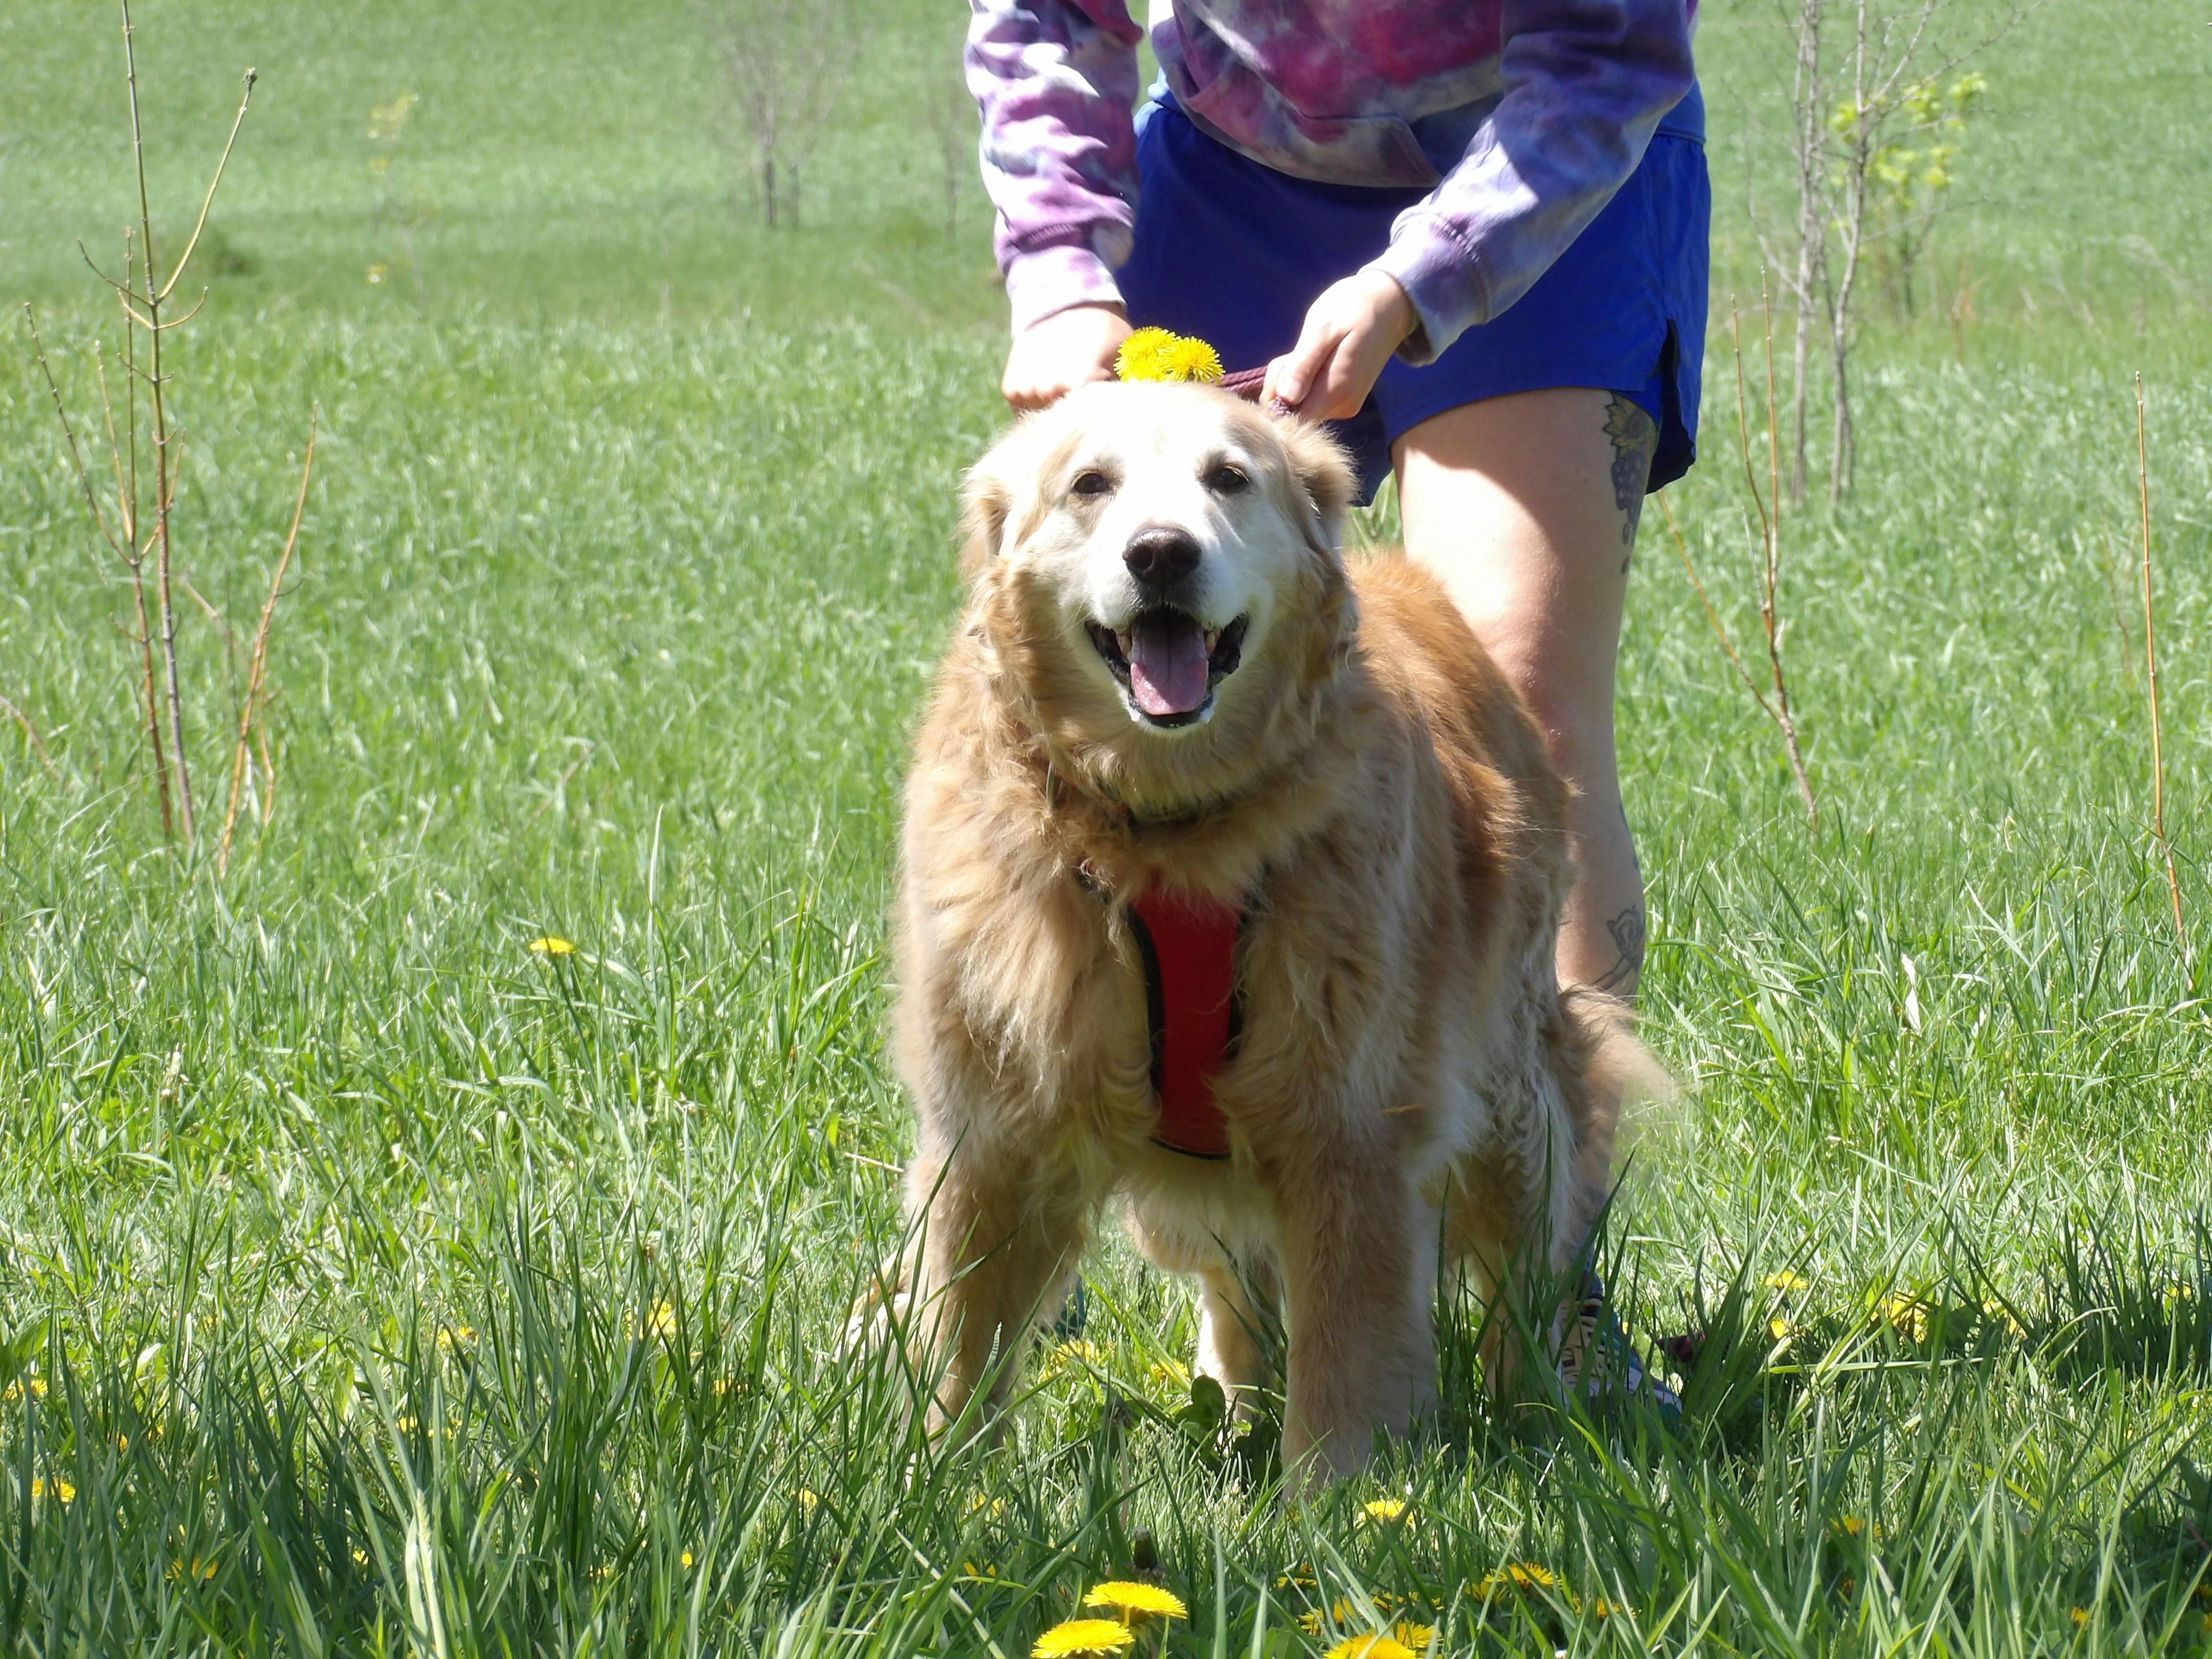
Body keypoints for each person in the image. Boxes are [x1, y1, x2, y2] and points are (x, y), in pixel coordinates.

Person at [966, 0, 1709, 1004]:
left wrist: (1417, 280)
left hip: (1551, 159)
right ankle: (1145, 1111)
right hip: (1224, 157)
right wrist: (1059, 266)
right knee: (1080, 697)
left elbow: (1610, 48)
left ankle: (1548, 1142)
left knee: (1516, 696)